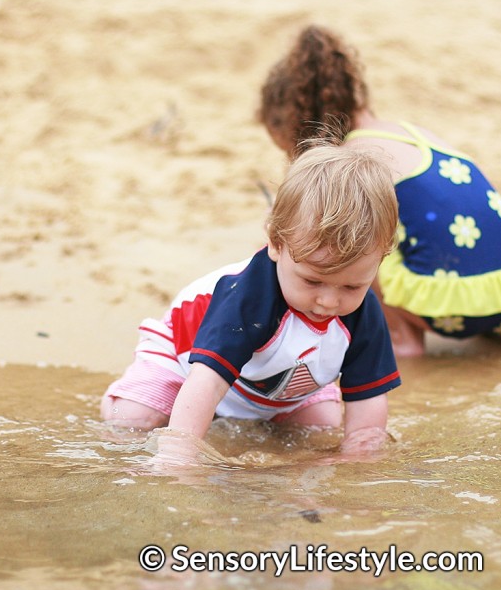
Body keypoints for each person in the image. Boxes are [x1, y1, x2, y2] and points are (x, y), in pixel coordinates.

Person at [258, 25, 501, 360]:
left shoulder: (353, 161)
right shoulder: (411, 133)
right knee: (462, 248)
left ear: (295, 121)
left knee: (351, 244)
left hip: (450, 312)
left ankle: (401, 341)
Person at [101, 143, 402, 454]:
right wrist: (180, 456)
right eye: (313, 280)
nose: (328, 301)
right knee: (135, 420)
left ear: (380, 260)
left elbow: (367, 403)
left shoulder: (364, 314)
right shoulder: (248, 296)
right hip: (185, 361)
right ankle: (118, 401)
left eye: (351, 287)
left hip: (277, 386)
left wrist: (360, 462)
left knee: (321, 428)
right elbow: (208, 382)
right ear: (275, 243)